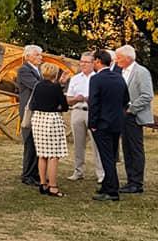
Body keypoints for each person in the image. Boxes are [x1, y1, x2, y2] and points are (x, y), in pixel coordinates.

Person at [88, 49, 130, 202]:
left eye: (93, 61)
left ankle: (112, 190)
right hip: (117, 122)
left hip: (102, 123)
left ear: (98, 61)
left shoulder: (96, 79)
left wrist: (92, 123)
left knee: (106, 157)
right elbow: (126, 100)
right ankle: (107, 185)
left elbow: (93, 102)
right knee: (111, 155)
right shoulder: (119, 78)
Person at [114, 44, 154, 195]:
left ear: (128, 58)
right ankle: (130, 179)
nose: (116, 60)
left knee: (135, 149)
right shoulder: (121, 71)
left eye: (119, 58)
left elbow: (147, 95)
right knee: (126, 148)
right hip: (122, 116)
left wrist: (131, 109)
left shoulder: (141, 72)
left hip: (134, 116)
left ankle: (137, 182)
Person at [30, 62, 69, 197]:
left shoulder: (37, 86)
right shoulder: (56, 88)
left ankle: (43, 183)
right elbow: (64, 106)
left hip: (38, 120)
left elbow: (32, 104)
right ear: (55, 74)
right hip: (52, 120)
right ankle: (53, 186)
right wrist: (56, 107)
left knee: (42, 154)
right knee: (53, 155)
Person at [65, 52, 104, 185]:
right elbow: (68, 99)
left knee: (96, 143)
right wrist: (76, 99)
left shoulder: (98, 77)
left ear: (93, 63)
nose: (83, 64)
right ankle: (78, 171)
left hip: (93, 112)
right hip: (77, 111)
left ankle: (100, 172)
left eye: (86, 62)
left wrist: (90, 99)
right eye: (81, 61)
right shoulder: (75, 79)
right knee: (78, 143)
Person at [16, 45, 44, 188]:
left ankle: (35, 173)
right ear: (28, 57)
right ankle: (27, 175)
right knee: (30, 142)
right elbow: (37, 86)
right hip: (29, 111)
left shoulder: (37, 70)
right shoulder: (24, 70)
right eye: (37, 55)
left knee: (36, 143)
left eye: (40, 55)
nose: (41, 57)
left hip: (36, 110)